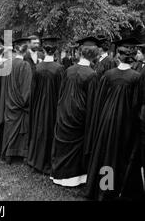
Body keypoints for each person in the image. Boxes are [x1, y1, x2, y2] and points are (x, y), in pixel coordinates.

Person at [86, 37, 145, 201]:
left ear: (118, 56)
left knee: (107, 154)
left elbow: (100, 100)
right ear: (132, 56)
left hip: (106, 120)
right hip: (125, 124)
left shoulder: (108, 75)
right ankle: (115, 189)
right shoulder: (136, 77)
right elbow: (136, 105)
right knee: (120, 156)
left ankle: (105, 189)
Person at [51, 36, 100, 187]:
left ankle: (59, 176)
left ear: (79, 52)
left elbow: (61, 93)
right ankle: (75, 177)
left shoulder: (69, 70)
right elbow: (92, 102)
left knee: (64, 143)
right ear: (95, 54)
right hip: (80, 116)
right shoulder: (92, 75)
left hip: (65, 112)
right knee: (76, 146)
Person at [28, 37, 65, 174]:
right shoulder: (59, 69)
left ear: (43, 50)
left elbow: (33, 90)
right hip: (53, 107)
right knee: (50, 132)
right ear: (55, 52)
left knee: (39, 130)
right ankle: (48, 161)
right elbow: (61, 91)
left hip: (38, 106)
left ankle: (35, 160)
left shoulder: (37, 68)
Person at [1, 40, 32, 164]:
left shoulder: (8, 64)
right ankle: (19, 154)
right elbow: (26, 88)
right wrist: (26, 102)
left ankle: (8, 155)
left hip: (9, 101)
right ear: (25, 50)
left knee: (10, 127)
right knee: (20, 130)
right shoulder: (25, 66)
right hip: (20, 104)